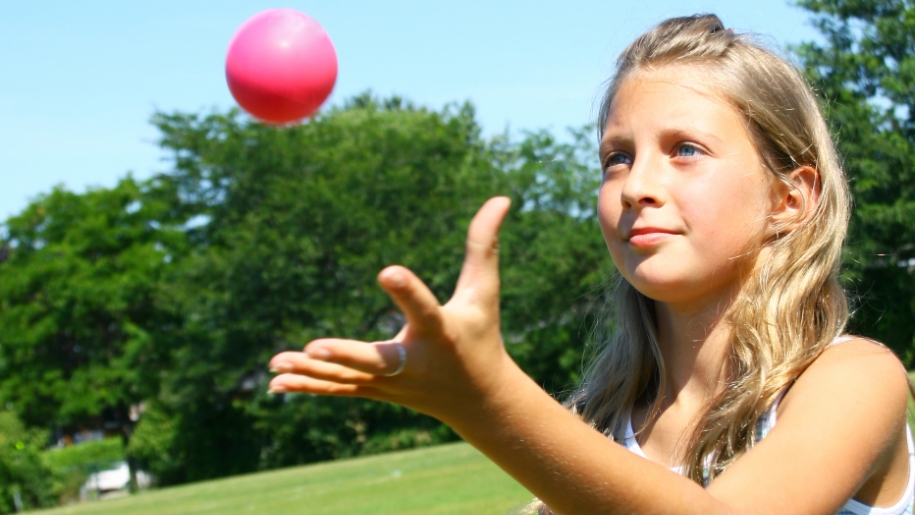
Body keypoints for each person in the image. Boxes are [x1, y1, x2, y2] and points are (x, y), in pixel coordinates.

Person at [267, 14, 914, 514]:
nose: (636, 186)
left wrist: (487, 399)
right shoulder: (603, 427)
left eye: (684, 148)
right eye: (617, 157)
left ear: (789, 198)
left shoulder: (851, 378)